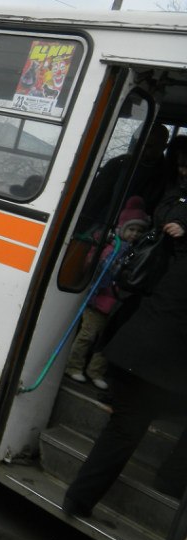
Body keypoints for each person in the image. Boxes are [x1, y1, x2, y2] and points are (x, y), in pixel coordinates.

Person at [62, 136, 187, 517]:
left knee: (124, 430)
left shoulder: (176, 232)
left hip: (142, 349)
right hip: (161, 360)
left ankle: (79, 499)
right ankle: (168, 483)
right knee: (130, 426)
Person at [64, 197, 150, 391]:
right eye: (131, 229)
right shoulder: (112, 248)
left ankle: (95, 371)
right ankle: (73, 366)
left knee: (106, 341)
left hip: (116, 304)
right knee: (87, 336)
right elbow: (101, 269)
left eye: (139, 231)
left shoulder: (137, 252)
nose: (135, 234)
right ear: (121, 228)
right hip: (98, 300)